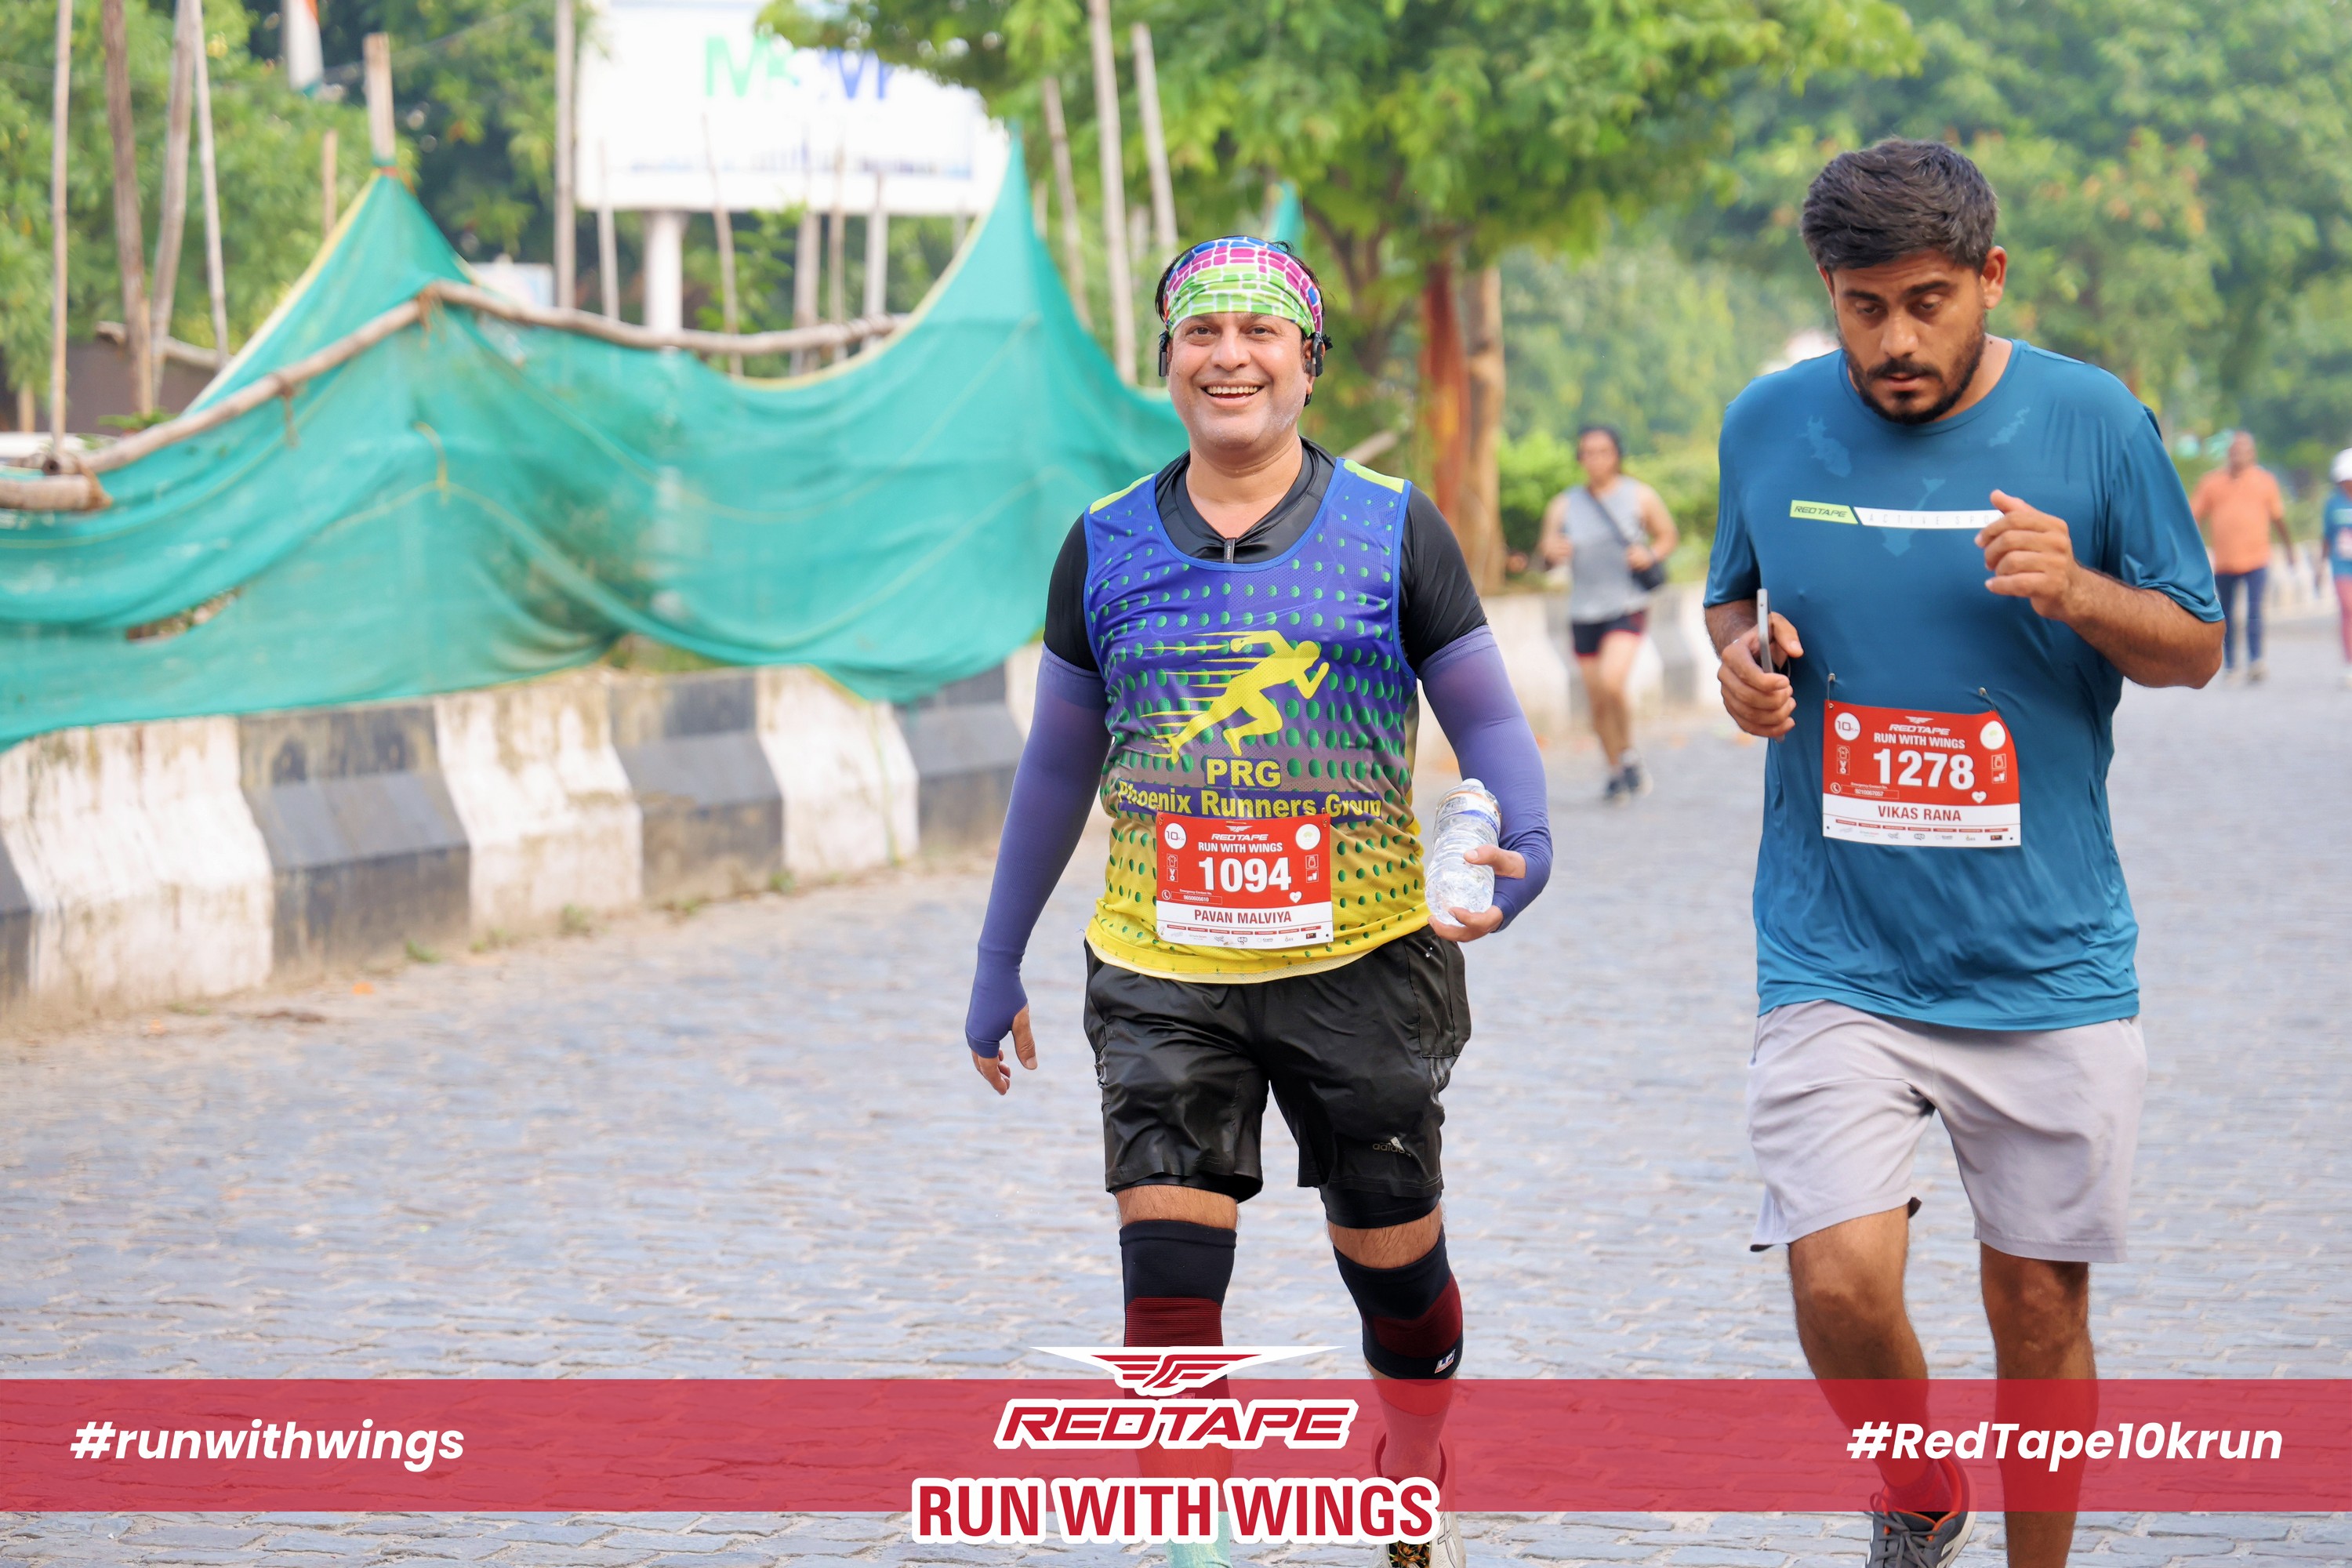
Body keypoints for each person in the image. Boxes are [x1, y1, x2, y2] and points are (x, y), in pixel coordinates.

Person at [962, 234, 1553, 1568]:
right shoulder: (1104, 543)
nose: (1229, 357)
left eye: (1260, 332)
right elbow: (1058, 764)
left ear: (1307, 360)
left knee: (1396, 1274)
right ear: (1169, 360)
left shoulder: (1394, 527)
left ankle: (1413, 1455)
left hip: (1365, 958)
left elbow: (1488, 722)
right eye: (1202, 333)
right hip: (1161, 964)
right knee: (1168, 1293)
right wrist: (999, 958)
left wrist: (1524, 846)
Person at [1705, 140, 2222, 1568]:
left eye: (1927, 302)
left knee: (2040, 1310)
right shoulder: (1768, 423)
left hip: (2045, 955)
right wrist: (1742, 662)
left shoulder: (2094, 421)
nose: (1895, 340)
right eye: (1863, 305)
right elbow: (1732, 597)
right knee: (1838, 1281)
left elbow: (2193, 646)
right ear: (1828, 289)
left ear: (1990, 277)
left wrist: (2080, 591)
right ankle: (1918, 1488)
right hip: (1836, 945)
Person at [1539, 426, 1679, 799]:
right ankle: (1616, 769)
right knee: (1597, 699)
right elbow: (1545, 553)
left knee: (1611, 681)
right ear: (1580, 458)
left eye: (1604, 451)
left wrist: (1650, 554)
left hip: (1626, 604)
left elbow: (1668, 535)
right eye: (1588, 452)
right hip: (1583, 610)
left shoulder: (1639, 495)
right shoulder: (1564, 505)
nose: (1596, 459)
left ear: (1617, 455)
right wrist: (1553, 552)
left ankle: (1629, 752)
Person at [2189, 430, 2292, 681]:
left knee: (2255, 611)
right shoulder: (2212, 483)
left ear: (2252, 453)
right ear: (2228, 453)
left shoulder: (2265, 481)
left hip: (2257, 558)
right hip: (2225, 561)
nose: (2238, 455)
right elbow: (2193, 516)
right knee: (2226, 614)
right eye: (2234, 450)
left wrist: (2289, 549)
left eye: (2243, 450)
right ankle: (2231, 664)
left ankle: (2256, 660)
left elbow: (2278, 518)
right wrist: (2190, 549)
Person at [2327, 448, 2352, 686]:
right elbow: (2327, 536)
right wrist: (2319, 565)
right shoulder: (2333, 504)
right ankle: (2350, 663)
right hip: (2342, 566)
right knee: (2348, 609)